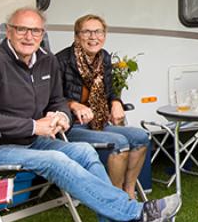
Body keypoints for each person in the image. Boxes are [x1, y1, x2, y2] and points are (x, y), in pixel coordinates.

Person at [0, 7, 179, 222]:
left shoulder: (45, 61)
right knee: (56, 159)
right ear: (9, 32)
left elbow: (57, 100)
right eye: (21, 29)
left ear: (42, 33)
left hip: (31, 140)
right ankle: (135, 213)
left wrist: (63, 116)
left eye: (35, 31)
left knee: (84, 151)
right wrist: (34, 125)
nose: (28, 36)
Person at [56, 14, 151, 199]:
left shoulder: (104, 57)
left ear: (104, 35)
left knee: (141, 137)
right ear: (77, 36)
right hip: (72, 125)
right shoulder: (61, 60)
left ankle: (129, 190)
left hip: (98, 121)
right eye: (87, 32)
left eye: (98, 31)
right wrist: (74, 105)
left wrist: (115, 102)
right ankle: (114, 197)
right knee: (119, 142)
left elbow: (109, 90)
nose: (94, 37)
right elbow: (52, 97)